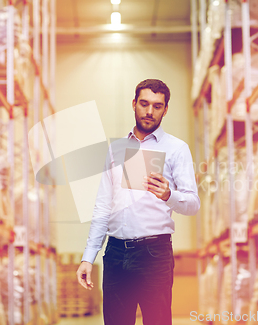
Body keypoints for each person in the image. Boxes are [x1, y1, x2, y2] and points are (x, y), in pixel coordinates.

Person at [76, 79, 200, 325]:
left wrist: (169, 195)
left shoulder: (176, 149)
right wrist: (88, 257)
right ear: (134, 104)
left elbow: (193, 204)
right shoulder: (116, 149)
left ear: (165, 110)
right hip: (115, 253)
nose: (149, 111)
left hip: (154, 254)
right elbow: (103, 206)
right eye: (144, 104)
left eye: (157, 106)